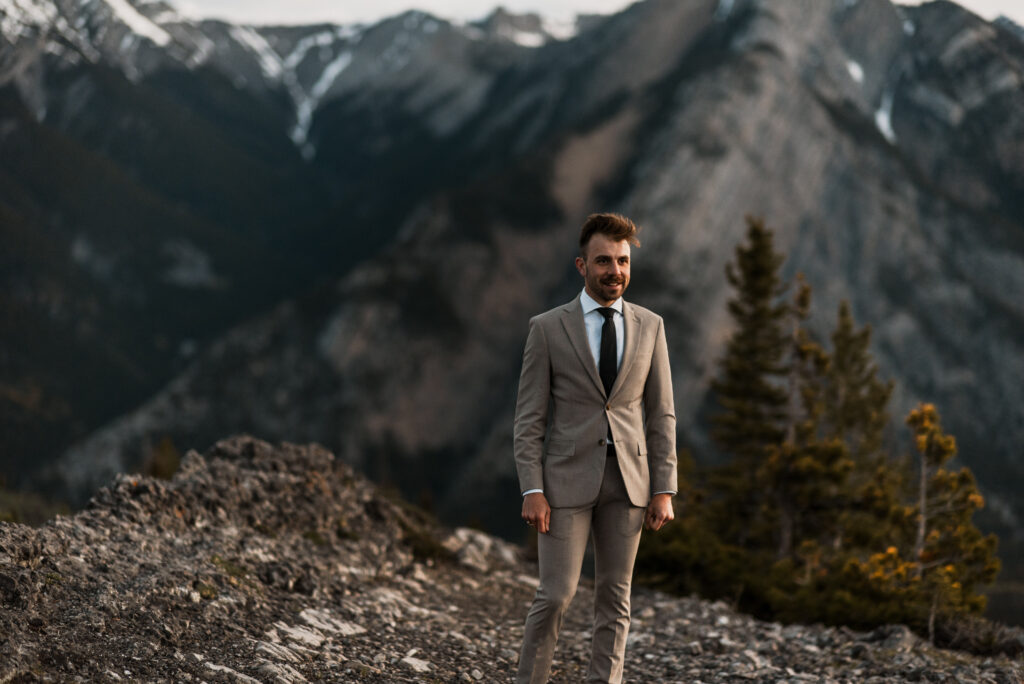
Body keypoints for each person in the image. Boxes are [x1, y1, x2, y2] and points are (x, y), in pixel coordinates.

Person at [513, 212, 677, 684]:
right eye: (604, 260)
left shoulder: (651, 326)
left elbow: (662, 413)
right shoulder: (546, 328)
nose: (616, 270)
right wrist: (531, 489)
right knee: (556, 594)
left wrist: (665, 487)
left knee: (615, 598)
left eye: (623, 260)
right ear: (581, 265)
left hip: (630, 483)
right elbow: (529, 419)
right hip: (563, 483)